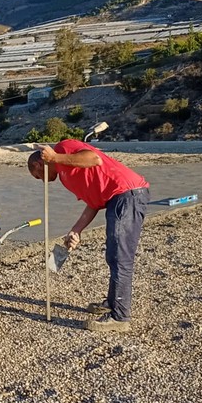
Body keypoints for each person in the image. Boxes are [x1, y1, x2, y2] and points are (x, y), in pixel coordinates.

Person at [28, 140, 150, 333]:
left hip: (128, 193)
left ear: (38, 164)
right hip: (115, 199)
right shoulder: (66, 177)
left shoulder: (63, 148)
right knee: (113, 255)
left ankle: (120, 317)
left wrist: (55, 157)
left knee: (120, 257)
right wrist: (76, 230)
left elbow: (94, 158)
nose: (42, 181)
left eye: (38, 175)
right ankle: (112, 303)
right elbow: (93, 203)